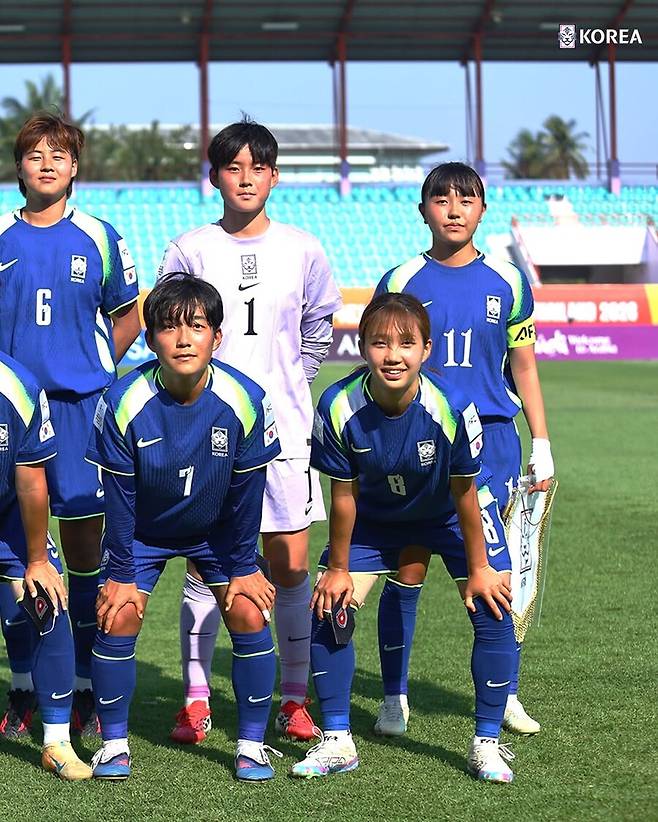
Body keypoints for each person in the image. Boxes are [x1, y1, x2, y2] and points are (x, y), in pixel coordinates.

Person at [158, 117, 342, 744]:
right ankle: (196, 697)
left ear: (274, 176)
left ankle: (293, 697)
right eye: (232, 167)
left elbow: (317, 328)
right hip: (205, 431)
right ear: (214, 176)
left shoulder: (305, 248)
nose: (244, 178)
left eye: (256, 167)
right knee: (205, 566)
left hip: (286, 428)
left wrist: (289, 380)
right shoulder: (190, 248)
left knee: (290, 565)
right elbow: (170, 328)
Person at [291, 293, 517, 783]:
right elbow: (343, 496)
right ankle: (336, 740)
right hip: (376, 519)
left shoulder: (452, 406)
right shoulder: (336, 404)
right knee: (329, 606)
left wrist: (479, 568)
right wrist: (337, 569)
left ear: (426, 349)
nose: (393, 355)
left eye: (406, 344)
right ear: (362, 347)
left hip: (449, 517)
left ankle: (487, 742)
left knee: (495, 604)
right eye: (379, 343)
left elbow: (465, 494)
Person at [372, 162, 554, 736]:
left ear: (482, 210)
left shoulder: (508, 280)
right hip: (415, 440)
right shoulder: (400, 279)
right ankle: (394, 696)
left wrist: (541, 441)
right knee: (408, 566)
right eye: (441, 198)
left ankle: (505, 696)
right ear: (422, 209)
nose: (454, 208)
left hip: (495, 441)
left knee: (497, 575)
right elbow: (380, 363)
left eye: (467, 199)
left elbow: (522, 363)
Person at [85, 274, 282, 782]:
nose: (183, 337)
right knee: (119, 613)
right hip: (143, 532)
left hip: (214, 531)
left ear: (218, 336)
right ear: (150, 340)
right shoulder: (124, 399)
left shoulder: (246, 399)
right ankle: (112, 745)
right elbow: (120, 500)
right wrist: (123, 572)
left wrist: (241, 567)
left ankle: (252, 745)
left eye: (196, 326)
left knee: (249, 610)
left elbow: (246, 495)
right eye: (169, 327)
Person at [0, 112, 141, 737]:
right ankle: (24, 686)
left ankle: (82, 683)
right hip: (12, 413)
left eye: (60, 153)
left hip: (81, 409)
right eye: (35, 154)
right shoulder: (1, 235)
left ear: (76, 166)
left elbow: (128, 313)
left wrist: (95, 366)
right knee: (15, 551)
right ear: (19, 166)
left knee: (83, 550)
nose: (48, 162)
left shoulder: (101, 236)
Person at [0, 351, 92, 780]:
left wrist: (37, 560)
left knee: (46, 598)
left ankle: (57, 741)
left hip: (6, 517)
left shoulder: (17, 386)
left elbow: (31, 478)